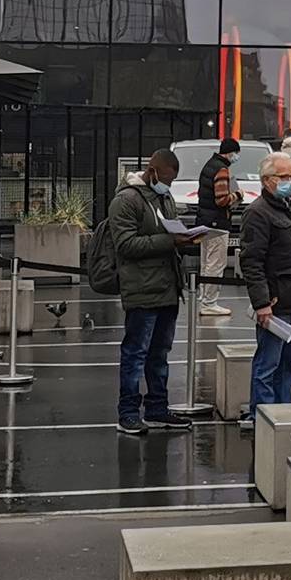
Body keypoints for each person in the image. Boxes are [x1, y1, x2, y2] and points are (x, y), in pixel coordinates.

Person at [103, 150, 199, 434]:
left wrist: (185, 239)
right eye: (167, 179)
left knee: (160, 352)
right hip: (141, 289)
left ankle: (157, 408)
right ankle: (128, 413)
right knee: (136, 353)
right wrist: (169, 241)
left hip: (168, 287)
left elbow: (167, 235)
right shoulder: (126, 200)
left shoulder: (164, 198)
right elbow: (126, 245)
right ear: (153, 171)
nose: (168, 185)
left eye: (173, 180)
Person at [239, 152, 291, 418]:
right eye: (284, 176)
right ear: (267, 180)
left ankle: (282, 413)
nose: (290, 180)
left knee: (288, 363)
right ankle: (261, 416)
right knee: (268, 364)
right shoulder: (258, 213)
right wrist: (262, 303)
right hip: (275, 304)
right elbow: (252, 262)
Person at [193, 138, 241, 316]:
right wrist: (237, 195)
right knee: (216, 263)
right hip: (218, 223)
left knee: (206, 262)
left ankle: (203, 297)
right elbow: (221, 199)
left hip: (204, 221)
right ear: (230, 152)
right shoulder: (221, 170)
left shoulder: (209, 165)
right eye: (236, 153)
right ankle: (209, 302)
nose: (237, 157)